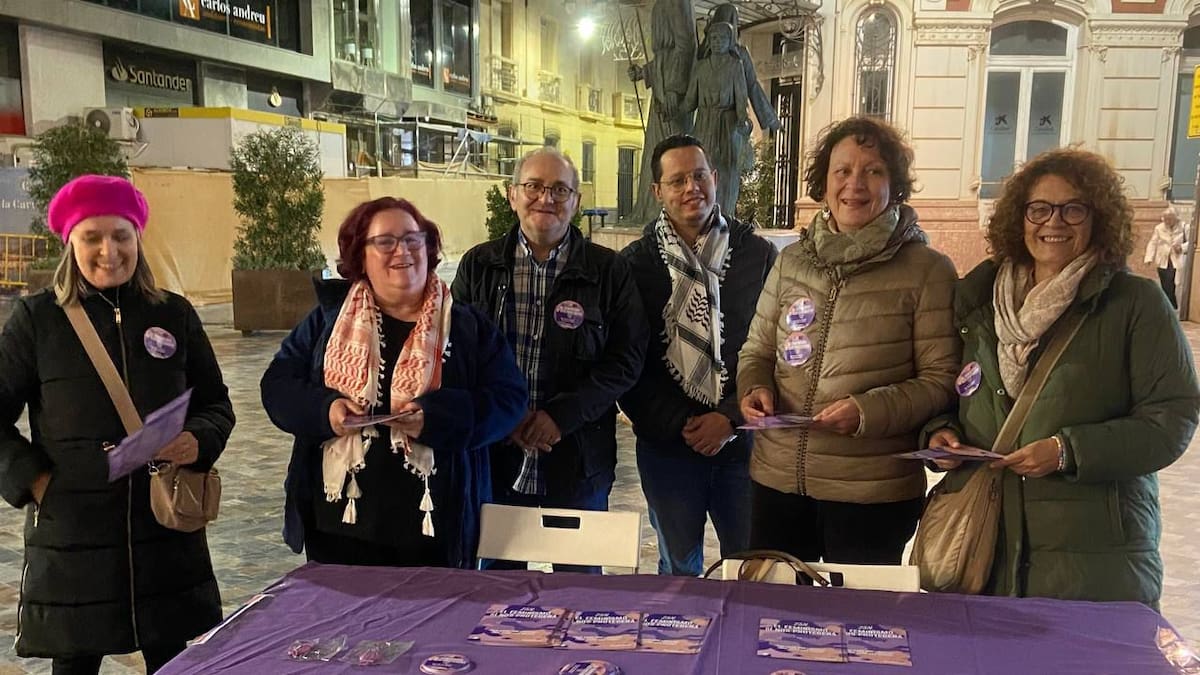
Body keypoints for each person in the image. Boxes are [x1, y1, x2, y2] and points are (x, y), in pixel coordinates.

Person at [925, 149, 1200, 607]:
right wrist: (941, 433)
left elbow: (1171, 420)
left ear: (1098, 219)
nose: (1054, 221)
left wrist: (1067, 451)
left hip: (1092, 563)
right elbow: (948, 392)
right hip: (984, 551)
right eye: (1039, 209)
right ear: (1019, 218)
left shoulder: (1135, 303)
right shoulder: (978, 302)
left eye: (1073, 209)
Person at [0, 175, 234, 673]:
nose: (109, 251)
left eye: (121, 235)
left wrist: (198, 440)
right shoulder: (37, 320)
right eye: (92, 237)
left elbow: (215, 403)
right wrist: (35, 481)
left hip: (164, 530)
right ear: (70, 242)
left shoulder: (174, 314)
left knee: (174, 662)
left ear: (138, 238)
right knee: (75, 664)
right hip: (74, 534)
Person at [737, 117, 960, 564]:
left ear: (894, 184)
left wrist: (866, 410)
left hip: (870, 491)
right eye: (842, 170)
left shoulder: (928, 270)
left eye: (872, 171)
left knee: (858, 610)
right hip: (778, 482)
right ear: (824, 182)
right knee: (771, 603)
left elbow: (941, 379)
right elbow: (756, 350)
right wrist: (754, 387)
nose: (854, 184)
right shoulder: (791, 261)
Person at [261, 197, 526, 568]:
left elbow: (509, 400)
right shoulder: (327, 322)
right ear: (361, 255)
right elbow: (277, 385)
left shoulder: (467, 326)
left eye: (412, 239)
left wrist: (437, 418)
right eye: (385, 241)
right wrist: (326, 410)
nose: (402, 251)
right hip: (338, 531)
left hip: (438, 528)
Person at [452, 147, 647, 572]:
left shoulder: (609, 271)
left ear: (576, 201)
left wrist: (561, 416)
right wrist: (505, 416)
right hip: (497, 456)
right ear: (512, 195)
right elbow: (458, 356)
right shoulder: (479, 266)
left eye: (560, 190)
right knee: (498, 587)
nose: (546, 198)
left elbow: (626, 359)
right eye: (534, 187)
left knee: (579, 586)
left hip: (578, 459)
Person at [620, 135, 777, 576]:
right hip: (668, 448)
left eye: (699, 175)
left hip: (743, 443)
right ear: (658, 191)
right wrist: (684, 425)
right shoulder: (634, 265)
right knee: (678, 570)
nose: (691, 188)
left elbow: (773, 349)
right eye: (677, 181)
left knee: (749, 567)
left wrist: (728, 418)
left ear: (716, 178)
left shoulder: (757, 256)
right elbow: (629, 362)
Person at [627, 0, 696, 226]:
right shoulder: (659, 6)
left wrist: (675, 89)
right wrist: (642, 72)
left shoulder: (679, 2)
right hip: (660, 88)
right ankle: (650, 210)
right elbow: (662, 58)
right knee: (654, 151)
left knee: (673, 152)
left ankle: (671, 210)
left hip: (673, 93)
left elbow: (686, 48)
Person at [684, 21, 750, 218]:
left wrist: (743, 121)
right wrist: (669, 108)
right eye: (713, 38)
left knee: (726, 174)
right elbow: (689, 101)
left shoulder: (735, 66)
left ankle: (724, 216)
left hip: (727, 126)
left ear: (730, 41)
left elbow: (741, 100)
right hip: (704, 125)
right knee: (701, 170)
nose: (717, 42)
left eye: (722, 38)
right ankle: (701, 216)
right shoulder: (701, 67)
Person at [1143, 205, 1187, 309]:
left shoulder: (1184, 227)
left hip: (1176, 259)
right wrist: (1149, 257)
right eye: (1165, 219)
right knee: (1165, 284)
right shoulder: (1159, 228)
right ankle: (1170, 306)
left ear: (1175, 218)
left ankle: (1173, 306)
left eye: (1170, 219)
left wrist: (1181, 247)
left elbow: (1192, 242)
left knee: (1174, 283)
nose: (1167, 221)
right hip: (1163, 260)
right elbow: (1153, 242)